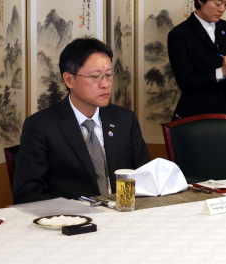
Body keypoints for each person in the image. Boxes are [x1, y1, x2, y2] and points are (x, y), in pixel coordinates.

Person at [13, 37, 151, 204]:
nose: (105, 84)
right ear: (69, 79)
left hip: (123, 216)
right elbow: (27, 194)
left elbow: (146, 177)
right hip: (72, 222)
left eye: (108, 75)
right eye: (96, 77)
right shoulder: (41, 126)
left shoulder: (125, 120)